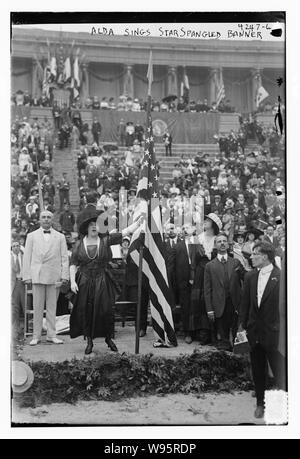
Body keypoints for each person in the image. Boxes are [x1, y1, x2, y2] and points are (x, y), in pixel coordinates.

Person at [69, 207, 144, 354]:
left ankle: (109, 339)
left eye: (96, 225)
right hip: (84, 281)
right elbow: (73, 264)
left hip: (102, 280)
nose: (94, 228)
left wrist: (137, 223)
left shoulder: (105, 240)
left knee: (106, 311)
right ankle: (89, 341)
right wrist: (73, 282)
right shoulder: (78, 245)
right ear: (86, 229)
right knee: (87, 311)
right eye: (90, 226)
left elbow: (124, 232)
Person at [238, 241, 286, 419]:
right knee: (258, 370)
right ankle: (260, 403)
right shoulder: (250, 276)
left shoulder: (281, 277)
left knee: (279, 372)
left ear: (265, 256)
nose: (251, 257)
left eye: (254, 254)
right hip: (254, 331)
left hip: (274, 333)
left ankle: (281, 407)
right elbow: (245, 305)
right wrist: (241, 327)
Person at [22, 211, 69, 346]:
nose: (46, 220)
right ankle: (36, 336)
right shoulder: (31, 236)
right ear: (39, 220)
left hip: (54, 276)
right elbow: (27, 257)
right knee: (37, 307)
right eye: (44, 217)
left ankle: (51, 334)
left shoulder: (60, 237)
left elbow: (64, 258)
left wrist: (65, 275)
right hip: (38, 275)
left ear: (52, 220)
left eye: (49, 217)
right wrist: (27, 276)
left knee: (52, 307)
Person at [204, 232, 245, 350]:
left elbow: (245, 278)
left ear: (228, 244)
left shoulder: (235, 262)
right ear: (215, 245)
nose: (222, 243)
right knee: (223, 339)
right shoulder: (210, 266)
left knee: (238, 337)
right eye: (219, 241)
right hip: (219, 305)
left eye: (224, 241)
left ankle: (239, 359)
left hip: (235, 304)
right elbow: (207, 290)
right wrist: (209, 309)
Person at [189, 213, 222, 345]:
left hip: (213, 273)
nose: (205, 222)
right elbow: (193, 260)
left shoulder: (218, 239)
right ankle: (198, 333)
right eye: (205, 220)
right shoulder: (198, 238)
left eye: (208, 220)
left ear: (213, 224)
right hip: (200, 272)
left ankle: (212, 333)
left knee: (211, 301)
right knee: (199, 302)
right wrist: (192, 276)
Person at [11, 240, 25, 342]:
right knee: (15, 308)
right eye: (14, 246)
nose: (16, 247)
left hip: (24, 283)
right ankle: (15, 331)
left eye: (17, 245)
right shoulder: (8, 258)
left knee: (26, 306)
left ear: (20, 247)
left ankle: (26, 330)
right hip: (14, 284)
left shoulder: (24, 257)